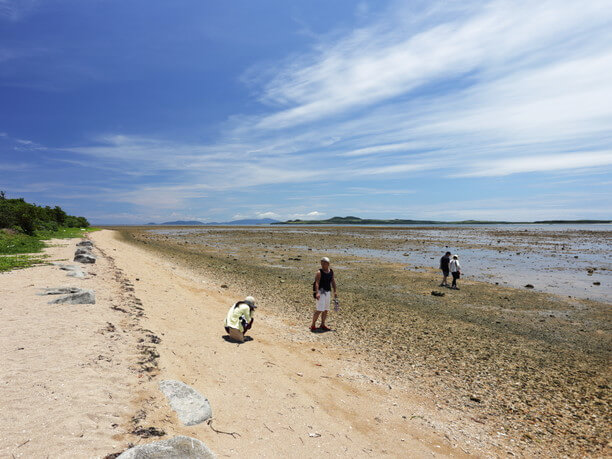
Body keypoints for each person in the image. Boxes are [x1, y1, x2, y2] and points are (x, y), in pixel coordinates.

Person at [310, 257, 337, 331]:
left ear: (328, 264)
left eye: (324, 263)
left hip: (328, 292)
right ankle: (313, 325)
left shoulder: (331, 271)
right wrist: (317, 293)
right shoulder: (319, 272)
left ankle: (322, 324)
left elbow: (333, 281)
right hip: (321, 293)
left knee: (325, 310)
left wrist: (335, 291)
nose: (322, 264)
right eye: (322, 263)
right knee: (319, 310)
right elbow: (317, 283)